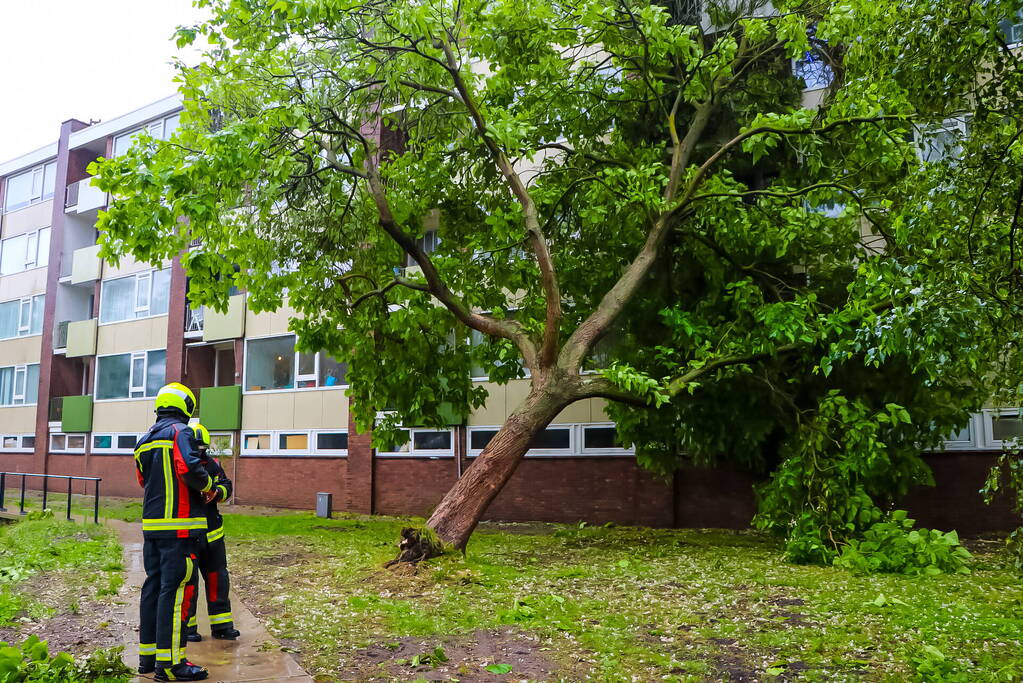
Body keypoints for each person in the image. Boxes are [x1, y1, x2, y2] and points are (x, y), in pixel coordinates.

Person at [134, 382, 211, 682]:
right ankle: (172, 665)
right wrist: (206, 487)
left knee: (153, 589)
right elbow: (190, 469)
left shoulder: (144, 439)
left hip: (152, 528)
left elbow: (143, 479)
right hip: (180, 529)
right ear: (186, 407)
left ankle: (149, 659)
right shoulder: (182, 433)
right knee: (178, 594)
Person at [185, 422, 241, 642]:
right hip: (189, 535)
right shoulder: (179, 466)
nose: (199, 452)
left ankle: (222, 626)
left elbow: (227, 485)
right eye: (194, 448)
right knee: (189, 583)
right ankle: (188, 629)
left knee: (218, 579)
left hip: (213, 533)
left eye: (202, 448)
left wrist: (218, 492)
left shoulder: (213, 465)